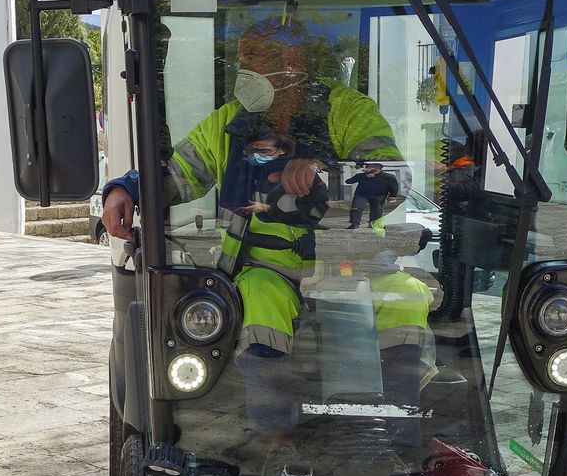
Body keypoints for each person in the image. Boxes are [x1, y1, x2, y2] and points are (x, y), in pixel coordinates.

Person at [100, 20, 400, 356]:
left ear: (293, 61)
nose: (243, 69)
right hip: (263, 269)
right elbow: (176, 174)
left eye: (253, 58)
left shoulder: (349, 110)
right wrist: (126, 188)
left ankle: (406, 395)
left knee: (407, 299)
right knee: (258, 312)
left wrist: (324, 174)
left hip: (351, 265)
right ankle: (268, 402)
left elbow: (389, 180)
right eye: (241, 59)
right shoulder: (229, 122)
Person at [345, 160, 408, 227]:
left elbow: (394, 186)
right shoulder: (361, 175)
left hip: (379, 195)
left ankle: (374, 223)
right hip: (361, 195)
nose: (366, 167)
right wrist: (364, 176)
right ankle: (354, 223)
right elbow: (348, 181)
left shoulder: (388, 176)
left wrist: (392, 195)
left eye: (368, 166)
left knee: (377, 209)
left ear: (376, 168)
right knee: (356, 208)